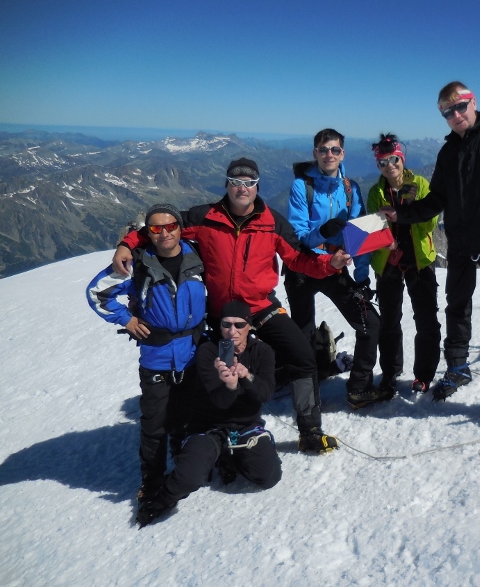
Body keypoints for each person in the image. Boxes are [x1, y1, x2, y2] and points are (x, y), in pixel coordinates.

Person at [112, 158, 349, 454]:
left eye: (249, 182)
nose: (242, 188)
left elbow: (299, 259)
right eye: (236, 181)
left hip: (259, 306)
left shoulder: (272, 222)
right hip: (218, 310)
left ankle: (310, 430)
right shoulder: (204, 217)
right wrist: (127, 243)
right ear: (226, 184)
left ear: (257, 186)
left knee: (302, 356)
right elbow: (162, 228)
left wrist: (330, 263)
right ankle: (198, 427)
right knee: (201, 366)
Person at [381, 82, 480, 420]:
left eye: (460, 107)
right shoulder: (448, 152)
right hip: (460, 242)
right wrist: (402, 215)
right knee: (457, 301)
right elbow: (437, 199)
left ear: (474, 104)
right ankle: (457, 367)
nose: (455, 115)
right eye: (447, 111)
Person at [87, 203, 207, 504]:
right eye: (156, 228)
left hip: (193, 352)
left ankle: (183, 465)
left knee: (185, 416)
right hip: (157, 356)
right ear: (147, 233)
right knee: (155, 425)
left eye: (170, 226)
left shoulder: (199, 258)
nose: (164, 232)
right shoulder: (137, 265)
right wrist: (126, 320)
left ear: (180, 228)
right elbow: (97, 292)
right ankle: (152, 481)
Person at [135, 301, 283, 528]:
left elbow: (265, 393)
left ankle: (233, 457)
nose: (232, 331)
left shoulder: (263, 351)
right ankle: (161, 499)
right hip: (208, 426)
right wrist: (230, 386)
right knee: (188, 478)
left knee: (267, 476)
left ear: (249, 326)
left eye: (239, 325)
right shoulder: (208, 352)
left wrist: (246, 376)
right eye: (226, 325)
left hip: (246, 426)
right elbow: (220, 401)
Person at [285, 128, 384, 409]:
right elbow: (299, 233)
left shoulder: (350, 188)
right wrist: (324, 233)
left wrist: (362, 277)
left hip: (336, 267)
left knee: (370, 323)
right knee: (302, 335)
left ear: (343, 154)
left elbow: (359, 235)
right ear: (315, 153)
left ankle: (359, 388)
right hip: (304, 265)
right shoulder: (301, 185)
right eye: (323, 149)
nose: (329, 154)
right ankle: (307, 400)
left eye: (335, 150)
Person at [366, 133, 441, 394]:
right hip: (388, 263)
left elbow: (431, 222)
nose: (389, 165)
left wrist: (409, 210)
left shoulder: (420, 184)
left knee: (426, 319)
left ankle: (424, 374)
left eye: (393, 159)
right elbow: (373, 228)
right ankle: (390, 372)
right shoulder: (376, 191)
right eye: (383, 162)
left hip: (420, 261)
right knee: (389, 321)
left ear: (402, 159)